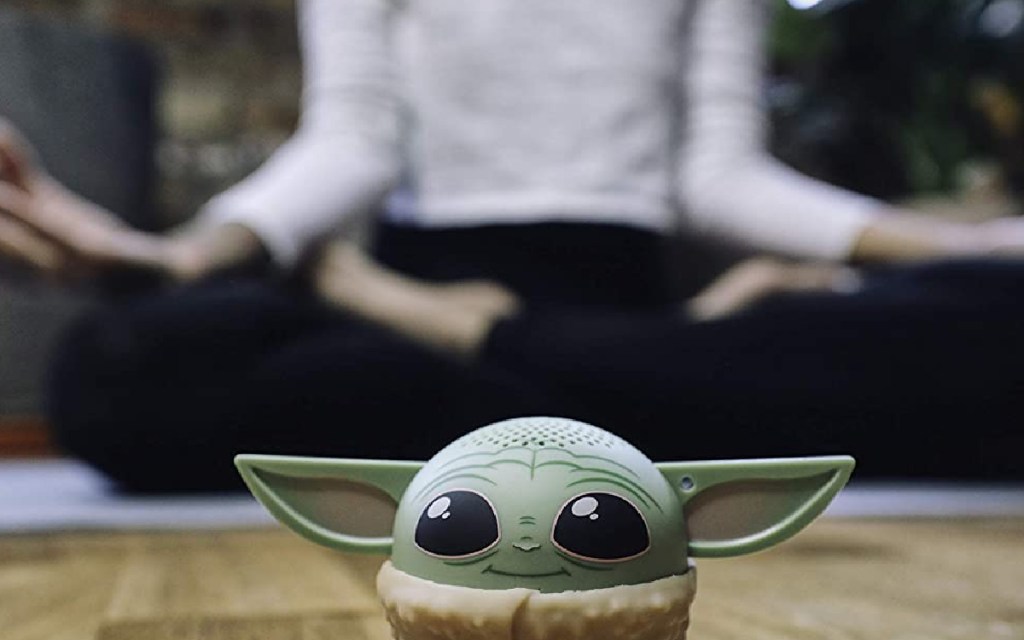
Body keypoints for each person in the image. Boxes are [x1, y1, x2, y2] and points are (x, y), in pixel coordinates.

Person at [1, 0, 1022, 491]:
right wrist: (183, 258)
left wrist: (973, 246)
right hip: (410, 313)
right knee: (114, 369)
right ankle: (654, 401)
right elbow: (351, 139)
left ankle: (610, 378)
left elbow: (717, 179)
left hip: (616, 314)